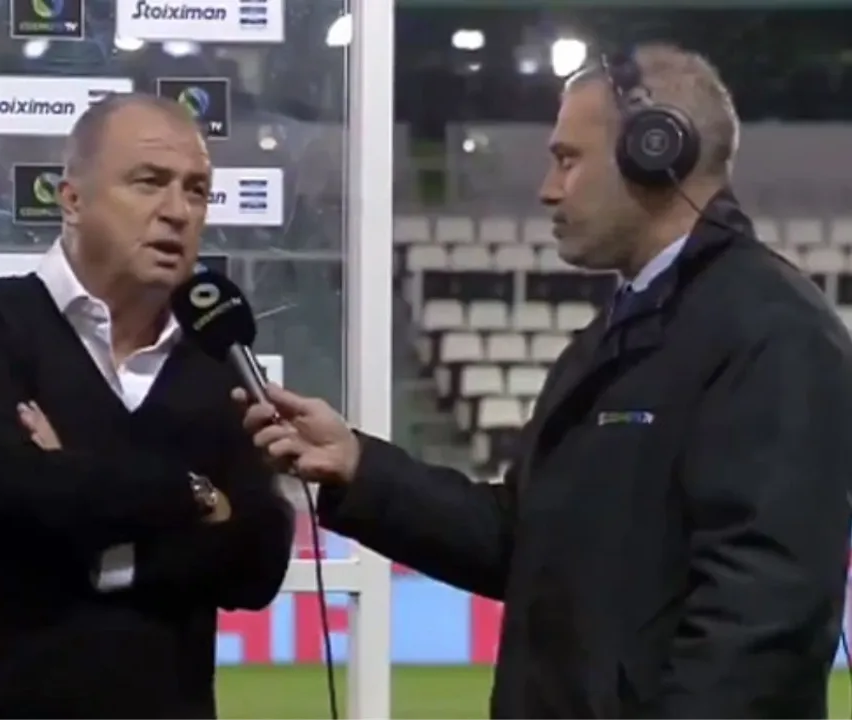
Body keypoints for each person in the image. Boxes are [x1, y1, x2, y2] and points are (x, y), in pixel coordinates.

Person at [238, 44, 852, 720]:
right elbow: (523, 540)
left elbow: (761, 625)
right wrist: (359, 467)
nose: (547, 189)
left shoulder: (775, 332)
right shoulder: (615, 334)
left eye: (567, 159)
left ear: (655, 152)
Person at [0, 93, 295, 720]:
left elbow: (258, 559)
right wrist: (195, 496)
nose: (177, 211)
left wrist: (75, 489)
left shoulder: (219, 362)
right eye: (149, 182)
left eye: (196, 190)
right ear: (72, 199)